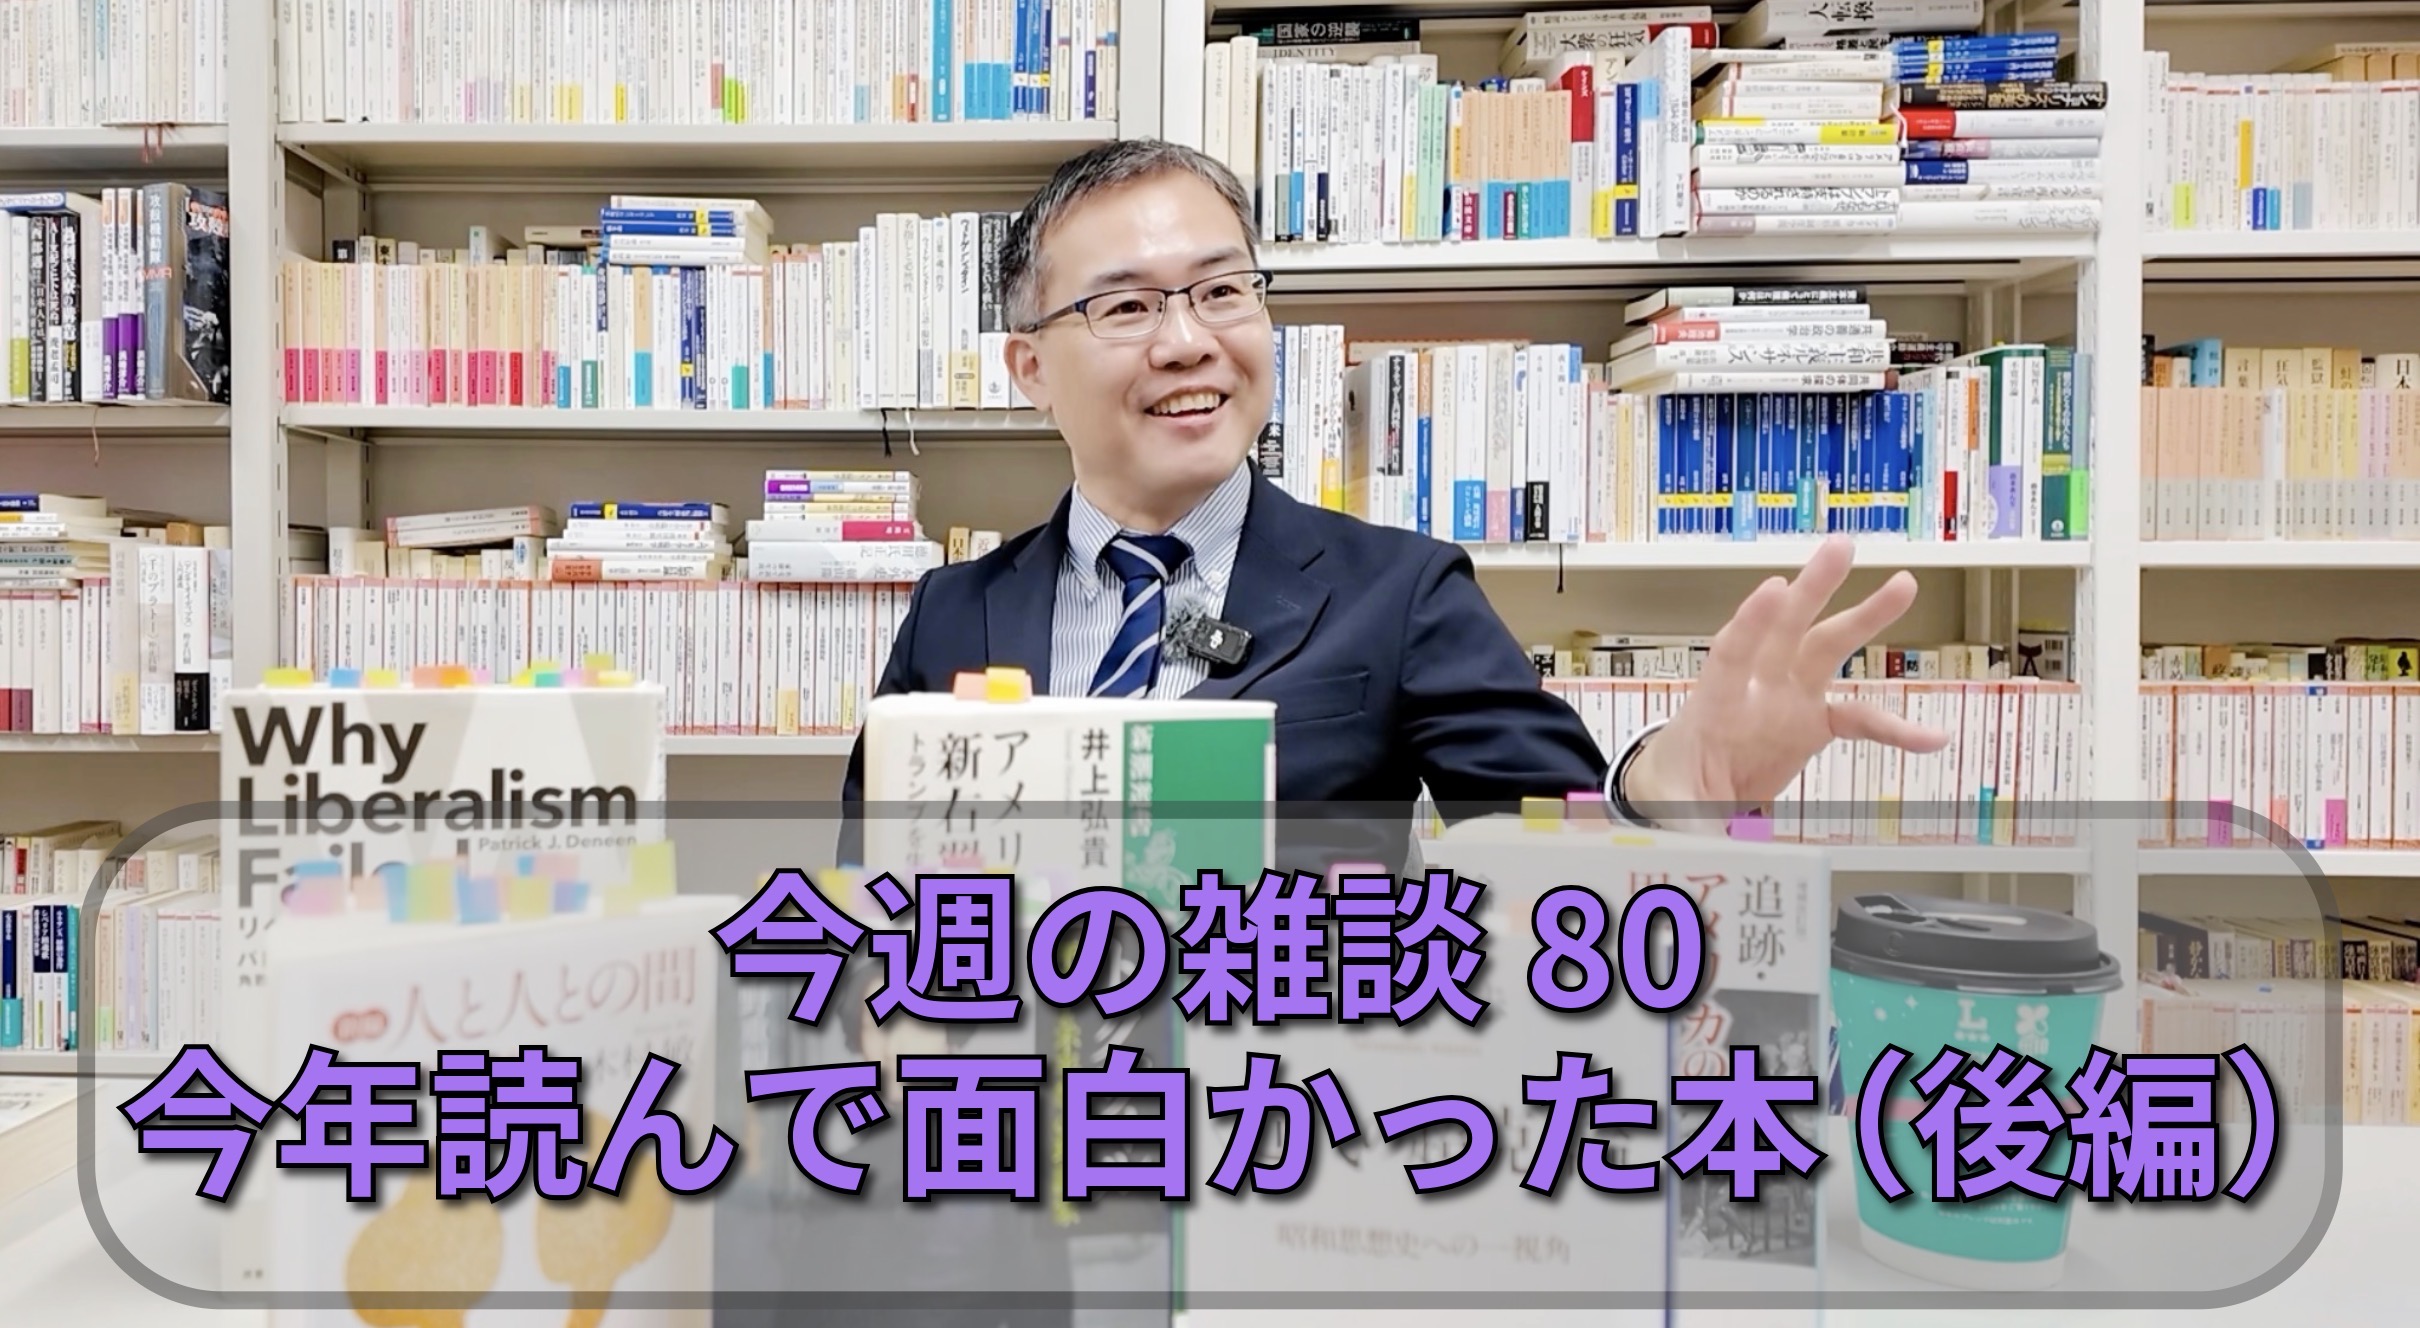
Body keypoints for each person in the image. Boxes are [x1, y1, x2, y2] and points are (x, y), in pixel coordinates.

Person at [838, 138, 1946, 865]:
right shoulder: (953, 611)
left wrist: (1670, 792)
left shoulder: (1400, 591)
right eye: (1126, 308)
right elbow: (872, 892)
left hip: (1283, 1116)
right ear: (1031, 369)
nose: (1188, 341)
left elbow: (1550, 850)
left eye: (1221, 291)